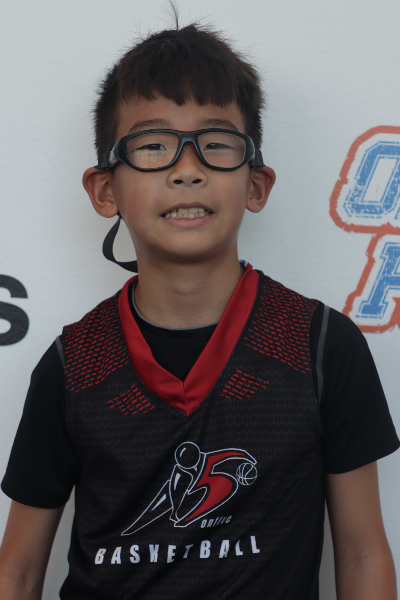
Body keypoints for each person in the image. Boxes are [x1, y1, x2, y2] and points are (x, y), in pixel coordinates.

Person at [0, 16, 398, 600]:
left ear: (255, 184)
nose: (187, 170)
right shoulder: (73, 364)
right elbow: (17, 572)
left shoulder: (320, 346)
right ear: (105, 189)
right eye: (153, 146)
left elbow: (364, 555)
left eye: (215, 145)